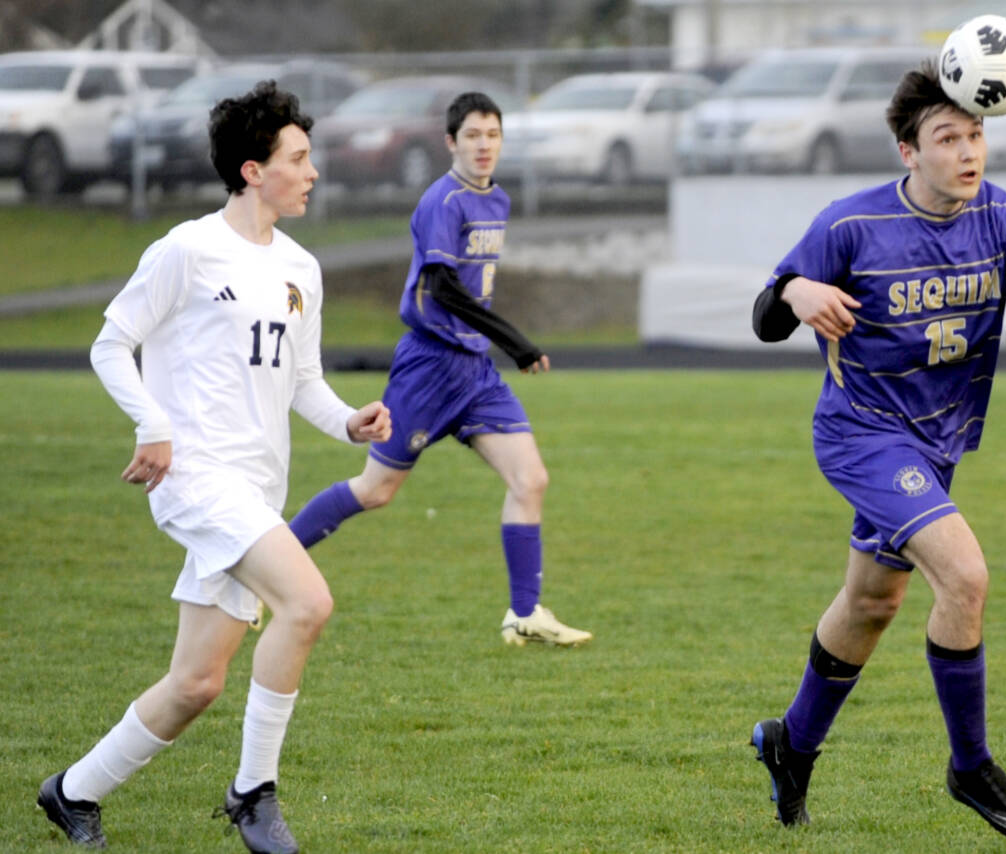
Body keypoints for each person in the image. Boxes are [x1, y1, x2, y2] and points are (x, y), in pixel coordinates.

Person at [748, 59, 1006, 839]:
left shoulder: (1000, 215)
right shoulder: (849, 224)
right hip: (862, 435)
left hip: (936, 441)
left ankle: (790, 744)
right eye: (947, 137)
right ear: (909, 153)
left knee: (873, 603)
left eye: (975, 134)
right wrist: (792, 292)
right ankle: (970, 766)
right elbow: (767, 315)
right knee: (967, 576)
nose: (967, 151)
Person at [37, 81, 391, 853]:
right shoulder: (188, 249)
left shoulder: (303, 267)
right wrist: (153, 423)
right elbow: (110, 342)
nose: (312, 172)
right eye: (298, 158)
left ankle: (72, 791)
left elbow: (302, 382)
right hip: (197, 479)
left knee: (197, 684)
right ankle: (252, 793)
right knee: (308, 603)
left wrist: (350, 422)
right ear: (251, 169)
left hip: (258, 489)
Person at [287, 92, 591, 648]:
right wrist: (517, 342)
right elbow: (444, 289)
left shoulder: (496, 199)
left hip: (474, 372)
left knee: (531, 479)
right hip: (429, 365)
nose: (483, 146)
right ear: (451, 142)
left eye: (493, 136)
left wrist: (496, 346)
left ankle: (525, 614)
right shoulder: (441, 201)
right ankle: (265, 566)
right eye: (472, 136)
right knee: (376, 490)